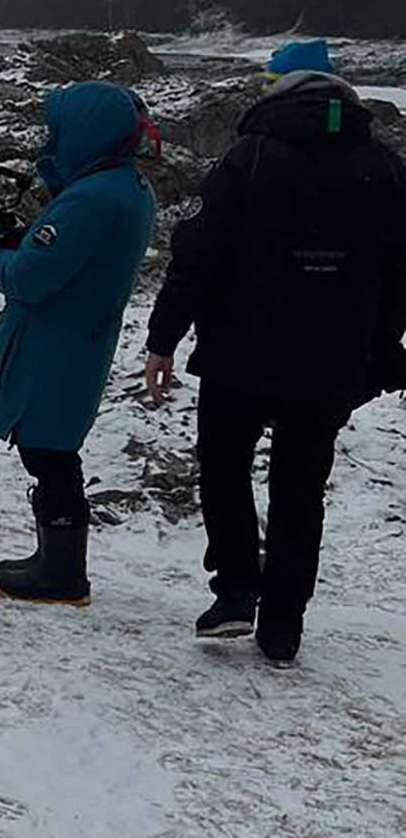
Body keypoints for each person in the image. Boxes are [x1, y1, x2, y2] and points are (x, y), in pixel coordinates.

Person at [143, 40, 406, 662]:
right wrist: (382, 347)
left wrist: (163, 339)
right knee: (300, 486)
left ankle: (235, 590)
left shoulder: (250, 156)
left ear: (281, 87)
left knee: (225, 466)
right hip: (334, 360)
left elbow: (198, 255)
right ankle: (284, 622)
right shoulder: (385, 166)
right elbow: (400, 271)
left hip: (242, 352)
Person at [0, 81, 156, 605]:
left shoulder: (92, 199)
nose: (50, 139)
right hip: (81, 336)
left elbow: (33, 277)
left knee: (48, 452)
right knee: (54, 448)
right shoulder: (126, 186)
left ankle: (61, 571)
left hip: (55, 341)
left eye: (58, 130)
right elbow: (67, 254)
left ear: (85, 131)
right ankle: (58, 561)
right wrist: (26, 237)